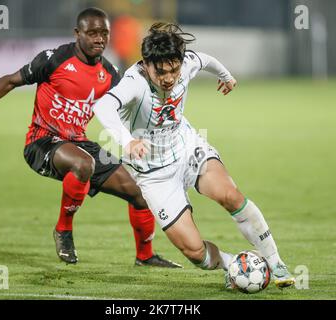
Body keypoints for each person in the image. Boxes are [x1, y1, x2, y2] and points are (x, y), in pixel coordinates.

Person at [0, 8, 181, 268]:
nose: (99, 39)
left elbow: (127, 108)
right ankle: (63, 230)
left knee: (140, 191)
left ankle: (145, 256)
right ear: (78, 34)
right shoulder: (54, 60)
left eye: (104, 33)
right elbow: (10, 81)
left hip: (78, 143)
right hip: (42, 142)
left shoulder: (109, 74)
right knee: (83, 164)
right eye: (93, 33)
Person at [92, 22, 295, 288]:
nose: (169, 77)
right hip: (154, 176)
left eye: (174, 70)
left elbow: (204, 59)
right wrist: (127, 141)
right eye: (161, 71)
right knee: (195, 252)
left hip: (187, 148)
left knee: (230, 196)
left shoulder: (186, 62)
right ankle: (233, 265)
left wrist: (226, 76)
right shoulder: (135, 82)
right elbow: (104, 105)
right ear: (146, 64)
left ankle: (276, 263)